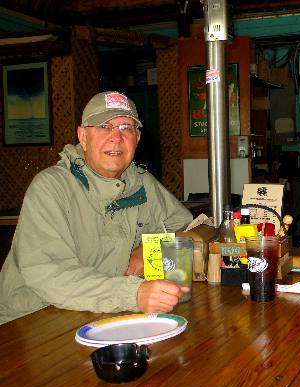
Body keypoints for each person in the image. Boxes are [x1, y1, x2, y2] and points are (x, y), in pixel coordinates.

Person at [0, 91, 193, 325]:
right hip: (33, 320)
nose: (116, 137)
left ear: (137, 138)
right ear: (82, 136)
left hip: (102, 314)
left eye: (126, 127)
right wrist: (133, 294)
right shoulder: (51, 187)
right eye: (104, 126)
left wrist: (149, 249)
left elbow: (185, 226)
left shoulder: (141, 183)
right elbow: (50, 273)